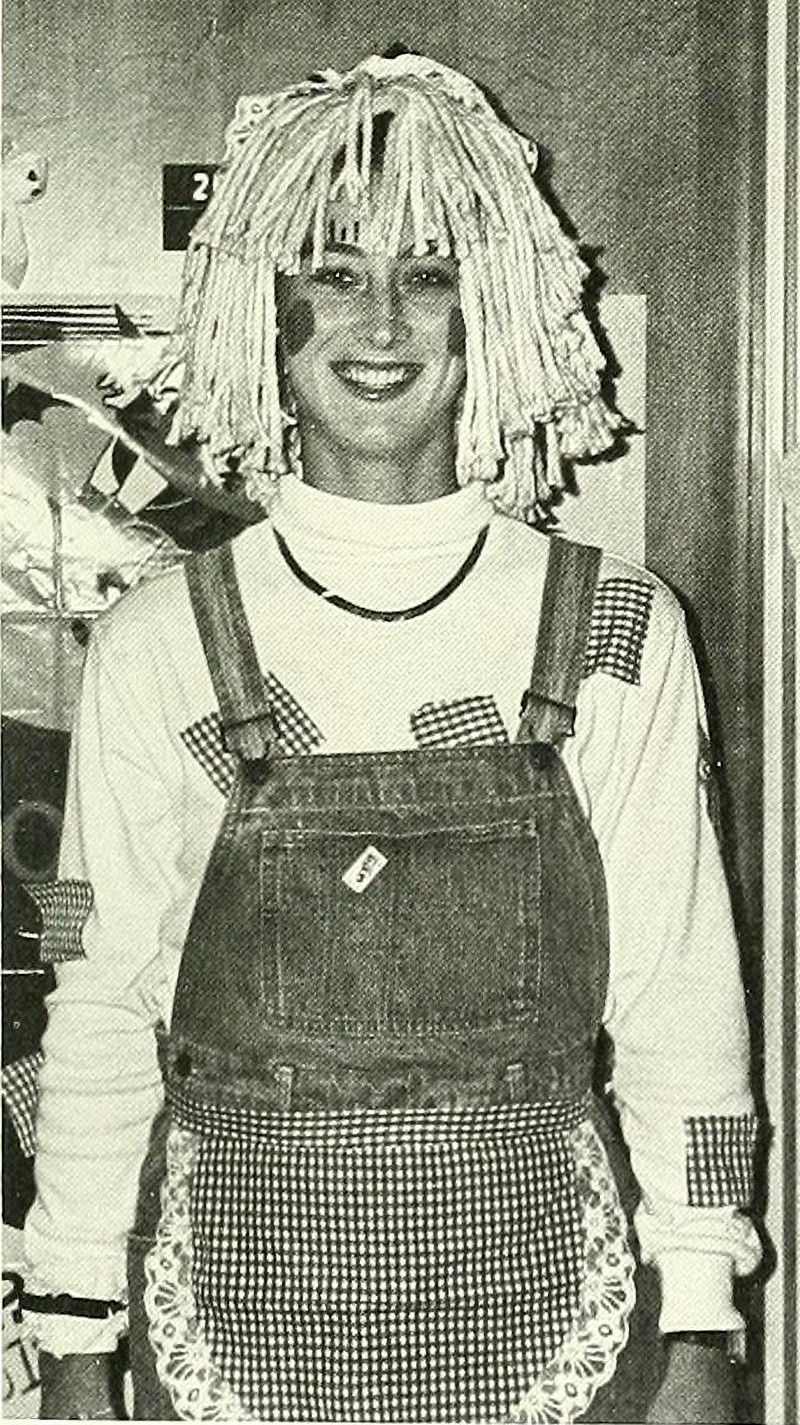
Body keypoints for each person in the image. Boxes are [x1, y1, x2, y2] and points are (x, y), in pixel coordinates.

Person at [24, 52, 761, 1423]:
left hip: (562, 1323)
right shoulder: (159, 642)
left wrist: (705, 1320)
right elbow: (100, 998)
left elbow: (681, 993)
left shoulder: (613, 624)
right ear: (267, 312)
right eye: (336, 272)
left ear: (495, 312)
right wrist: (74, 1330)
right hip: (230, 1322)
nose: (381, 319)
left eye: (428, 274)